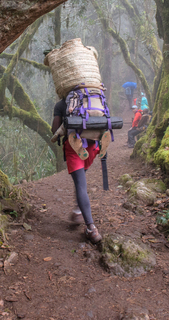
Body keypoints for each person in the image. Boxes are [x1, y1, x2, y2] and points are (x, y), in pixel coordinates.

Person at [52, 98, 103, 244]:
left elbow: (55, 130)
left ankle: (91, 228)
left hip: (75, 146)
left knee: (81, 184)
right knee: (81, 181)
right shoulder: (93, 99)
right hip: (92, 146)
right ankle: (78, 209)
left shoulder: (61, 104)